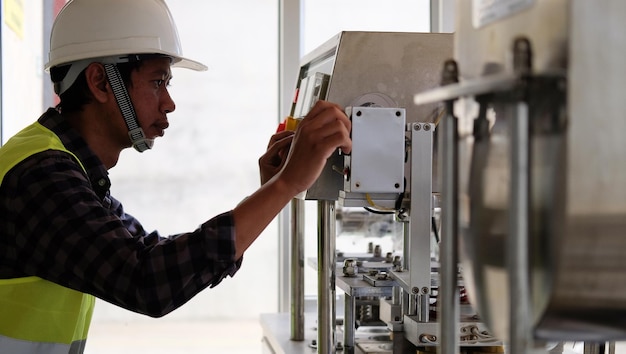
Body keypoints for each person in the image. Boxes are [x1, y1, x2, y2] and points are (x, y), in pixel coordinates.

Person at [0, 0, 351, 353]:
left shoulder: (68, 167)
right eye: (157, 82)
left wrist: (271, 191)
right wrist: (286, 185)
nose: (169, 103)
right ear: (101, 82)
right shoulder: (41, 176)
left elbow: (150, 252)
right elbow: (146, 280)